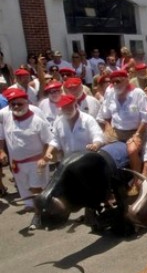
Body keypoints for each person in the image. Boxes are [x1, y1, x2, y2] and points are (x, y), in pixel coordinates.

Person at [0, 88, 53, 220]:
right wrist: (1, 151)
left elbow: (49, 140)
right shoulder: (5, 116)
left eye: (20, 103)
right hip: (16, 163)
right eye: (13, 104)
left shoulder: (37, 121)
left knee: (36, 188)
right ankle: (34, 206)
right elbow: (1, 136)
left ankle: (39, 215)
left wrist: (44, 157)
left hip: (35, 162)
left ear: (27, 103)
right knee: (24, 188)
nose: (16, 107)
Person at [44, 94, 105, 161]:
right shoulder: (58, 122)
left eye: (69, 107)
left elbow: (98, 136)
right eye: (64, 108)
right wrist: (48, 152)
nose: (67, 110)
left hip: (88, 160)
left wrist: (95, 145)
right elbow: (55, 140)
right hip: (68, 161)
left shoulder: (88, 119)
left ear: (75, 106)